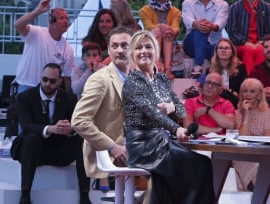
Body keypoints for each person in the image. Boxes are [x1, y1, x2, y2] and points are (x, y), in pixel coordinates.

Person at [122, 30, 215, 204]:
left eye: (148, 47)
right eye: (138, 48)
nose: (144, 51)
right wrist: (176, 128)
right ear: (132, 54)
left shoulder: (162, 80)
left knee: (202, 163)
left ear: (156, 52)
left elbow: (180, 109)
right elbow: (153, 113)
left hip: (162, 142)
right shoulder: (132, 83)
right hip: (142, 145)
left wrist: (172, 106)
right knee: (198, 164)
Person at [10, 63, 90, 204]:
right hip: (33, 150)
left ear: (60, 82)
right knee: (31, 139)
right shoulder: (25, 97)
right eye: (44, 79)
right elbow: (27, 126)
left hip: (59, 150)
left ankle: (84, 195)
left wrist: (69, 127)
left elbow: (78, 123)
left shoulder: (69, 99)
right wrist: (51, 128)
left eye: (52, 81)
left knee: (82, 139)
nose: (47, 83)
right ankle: (25, 196)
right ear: (40, 78)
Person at [72, 27, 133, 190]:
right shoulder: (99, 79)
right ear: (108, 50)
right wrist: (113, 147)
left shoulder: (139, 78)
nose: (119, 50)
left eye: (125, 45)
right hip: (112, 155)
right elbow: (79, 121)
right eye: (115, 46)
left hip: (136, 150)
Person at [14, 0, 74, 94]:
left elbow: (67, 78)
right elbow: (18, 25)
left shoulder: (68, 49)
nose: (66, 21)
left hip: (48, 91)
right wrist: (38, 11)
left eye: (67, 19)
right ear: (51, 20)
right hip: (26, 86)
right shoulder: (36, 32)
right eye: (62, 18)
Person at [182, 0, 229, 78]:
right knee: (200, 28)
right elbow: (188, 21)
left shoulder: (222, 4)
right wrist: (198, 24)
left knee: (222, 50)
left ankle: (207, 76)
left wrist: (212, 26)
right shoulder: (187, 3)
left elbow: (221, 22)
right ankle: (198, 65)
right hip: (192, 45)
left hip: (213, 44)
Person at [226, 0, 270, 75]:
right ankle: (249, 82)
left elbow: (269, 31)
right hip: (240, 45)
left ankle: (261, 82)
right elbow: (231, 32)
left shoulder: (267, 7)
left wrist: (261, 41)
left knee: (260, 50)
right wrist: (245, 42)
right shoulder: (234, 7)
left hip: (261, 43)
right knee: (248, 50)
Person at [139, 0, 181, 80]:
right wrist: (162, 27)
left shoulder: (175, 11)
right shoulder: (144, 11)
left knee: (168, 32)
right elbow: (149, 27)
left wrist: (170, 30)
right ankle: (157, 67)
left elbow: (176, 29)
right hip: (151, 41)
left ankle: (167, 69)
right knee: (156, 31)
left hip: (170, 43)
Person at [233, 78, 270, 191]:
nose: (248, 94)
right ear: (241, 94)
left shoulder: (268, 113)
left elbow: (266, 140)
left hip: (261, 153)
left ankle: (256, 190)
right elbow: (241, 139)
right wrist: (246, 114)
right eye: (245, 91)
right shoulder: (237, 113)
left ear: (259, 94)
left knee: (259, 166)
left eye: (252, 91)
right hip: (242, 154)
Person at [191, 38, 247, 108]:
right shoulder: (210, 70)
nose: (223, 51)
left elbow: (243, 92)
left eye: (226, 48)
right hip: (215, 100)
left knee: (222, 91)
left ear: (232, 52)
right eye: (220, 48)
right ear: (216, 51)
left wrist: (229, 91)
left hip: (234, 102)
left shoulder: (240, 68)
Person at [249, 35, 270, 106]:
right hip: (262, 107)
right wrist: (261, 93)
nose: (268, 50)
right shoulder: (256, 70)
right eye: (266, 47)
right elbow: (248, 92)